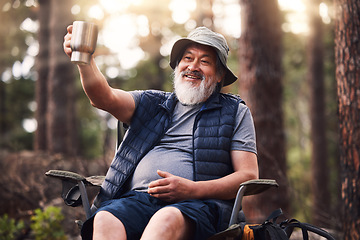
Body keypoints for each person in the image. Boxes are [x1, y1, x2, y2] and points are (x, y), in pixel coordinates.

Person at [63, 26, 258, 240]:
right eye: (188, 58)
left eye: (205, 61)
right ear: (177, 65)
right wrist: (85, 61)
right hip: (137, 200)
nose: (193, 67)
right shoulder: (151, 103)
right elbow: (103, 98)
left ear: (220, 75)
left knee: (165, 219)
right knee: (104, 218)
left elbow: (248, 176)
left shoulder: (234, 112)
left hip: (199, 206)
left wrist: (192, 189)